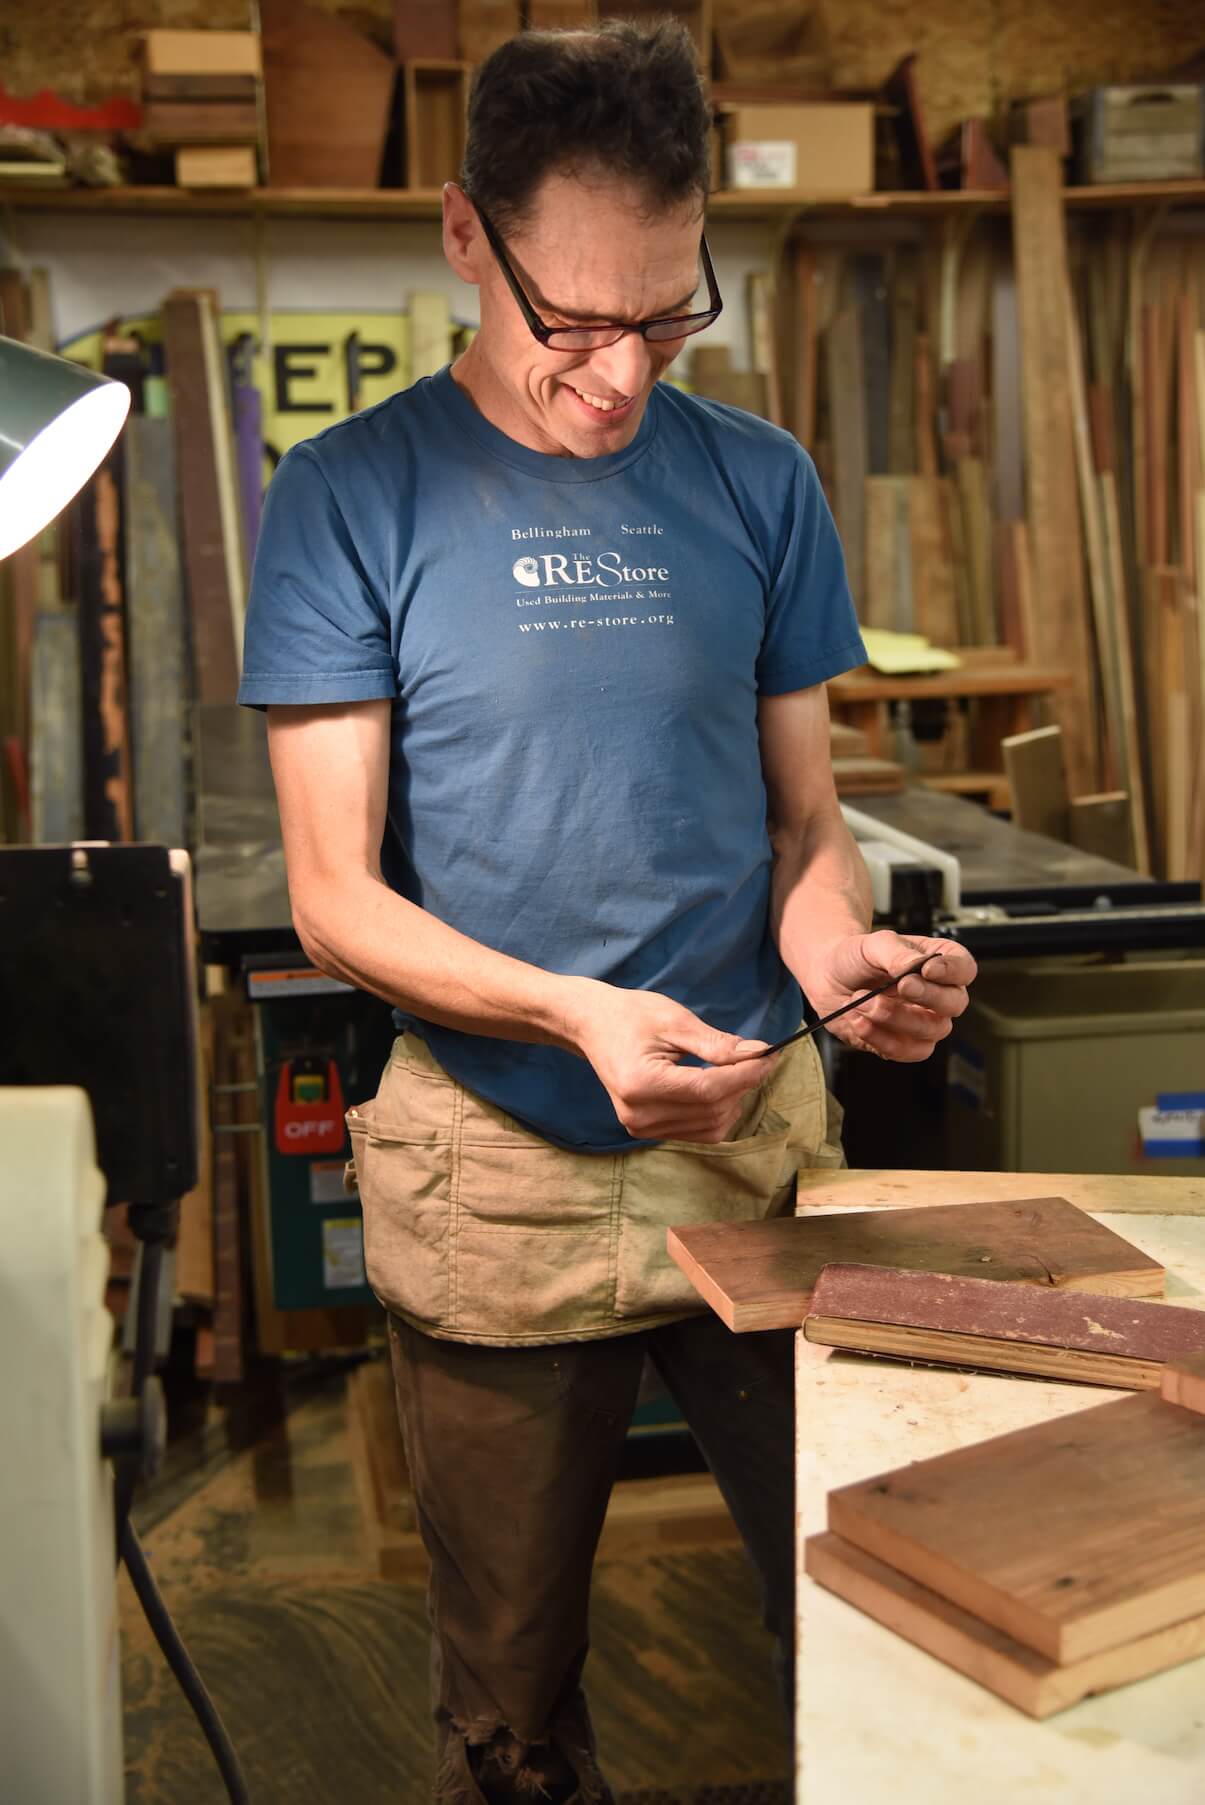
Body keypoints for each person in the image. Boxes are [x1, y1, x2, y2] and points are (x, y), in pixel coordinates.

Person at [240, 20, 977, 1802]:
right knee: (509, 1700)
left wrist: (845, 960)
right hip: (499, 1174)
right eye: (571, 320)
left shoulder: (758, 480)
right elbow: (335, 899)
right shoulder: (355, 494)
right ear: (462, 238)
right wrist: (574, 1013)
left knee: (880, 1610)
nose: (620, 372)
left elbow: (807, 824)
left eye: (667, 314)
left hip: (752, 1144)